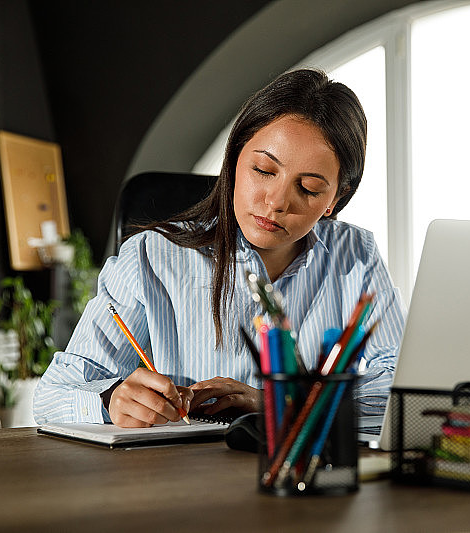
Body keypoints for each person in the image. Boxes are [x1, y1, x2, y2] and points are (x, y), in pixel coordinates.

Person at [33, 69, 406, 427]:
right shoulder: (148, 258)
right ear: (235, 158)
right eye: (264, 170)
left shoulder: (356, 254)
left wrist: (280, 402)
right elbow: (52, 394)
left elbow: (401, 386)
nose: (276, 202)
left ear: (335, 200)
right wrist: (110, 399)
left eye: (308, 188)